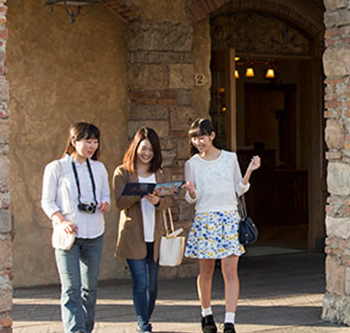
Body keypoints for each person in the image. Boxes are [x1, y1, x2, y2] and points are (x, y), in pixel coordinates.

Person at [183, 118, 261, 333]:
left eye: (202, 137)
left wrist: (250, 170)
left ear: (212, 136)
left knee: (230, 272)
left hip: (228, 218)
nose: (198, 141)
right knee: (206, 272)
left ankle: (229, 321)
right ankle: (206, 314)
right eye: (194, 138)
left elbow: (239, 188)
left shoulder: (229, 158)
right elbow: (193, 198)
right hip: (205, 219)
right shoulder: (191, 164)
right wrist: (190, 193)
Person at [41, 122, 111, 333]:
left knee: (89, 289)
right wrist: (61, 221)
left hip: (95, 232)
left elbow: (106, 194)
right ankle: (75, 330)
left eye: (95, 141)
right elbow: (47, 202)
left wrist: (105, 203)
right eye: (87, 141)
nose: (92, 146)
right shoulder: (56, 167)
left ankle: (86, 328)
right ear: (74, 141)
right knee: (71, 288)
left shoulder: (99, 167)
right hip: (68, 236)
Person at [112, 127, 180, 333]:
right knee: (140, 283)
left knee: (152, 286)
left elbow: (170, 201)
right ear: (135, 147)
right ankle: (144, 325)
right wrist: (140, 193)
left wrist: (158, 200)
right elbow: (119, 202)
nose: (146, 153)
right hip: (133, 236)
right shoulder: (123, 172)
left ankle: (144, 316)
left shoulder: (160, 173)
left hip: (156, 235)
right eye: (143, 148)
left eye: (150, 149)